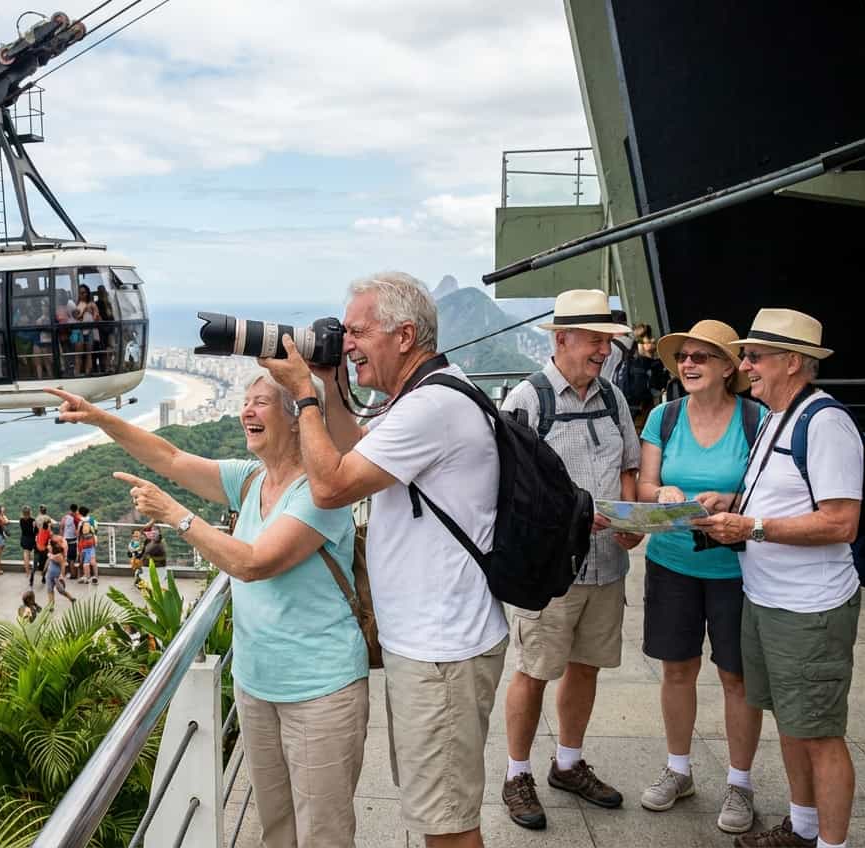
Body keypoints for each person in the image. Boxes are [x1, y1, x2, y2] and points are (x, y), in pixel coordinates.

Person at [47, 372, 370, 848]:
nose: (246, 411)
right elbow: (170, 457)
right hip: (257, 686)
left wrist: (176, 514)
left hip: (321, 691)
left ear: (298, 418)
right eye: (245, 401)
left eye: (260, 402)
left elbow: (253, 563)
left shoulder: (322, 493)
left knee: (324, 835)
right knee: (277, 828)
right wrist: (101, 418)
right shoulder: (253, 478)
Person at [259, 270, 506, 848]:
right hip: (429, 645)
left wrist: (303, 395)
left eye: (357, 331)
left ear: (403, 335)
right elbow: (350, 452)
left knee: (445, 823)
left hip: (441, 650)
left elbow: (330, 485)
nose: (346, 341)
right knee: (434, 808)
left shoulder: (431, 407)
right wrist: (329, 382)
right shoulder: (420, 394)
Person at [693, 309, 861, 848]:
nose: (745, 366)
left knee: (820, 734)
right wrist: (730, 505)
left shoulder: (826, 422)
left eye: (754, 356)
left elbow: (841, 521)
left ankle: (830, 843)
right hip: (765, 598)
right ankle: (803, 827)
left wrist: (754, 526)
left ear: (793, 362)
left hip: (809, 609)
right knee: (792, 721)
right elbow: (777, 495)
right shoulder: (776, 417)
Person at [495, 290, 641, 830]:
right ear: (562, 339)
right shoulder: (528, 402)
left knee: (586, 666)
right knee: (533, 670)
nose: (605, 351)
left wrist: (630, 523)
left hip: (607, 566)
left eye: (608, 341)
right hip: (553, 572)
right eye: (597, 341)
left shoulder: (614, 399)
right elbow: (508, 488)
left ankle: (568, 763)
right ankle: (516, 775)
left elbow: (627, 466)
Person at [635, 320, 763, 833]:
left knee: (737, 677)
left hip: (737, 569)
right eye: (683, 357)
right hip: (672, 562)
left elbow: (771, 491)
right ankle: (679, 769)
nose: (688, 364)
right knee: (677, 670)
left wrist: (732, 502)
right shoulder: (663, 420)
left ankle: (739, 782)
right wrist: (662, 494)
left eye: (701, 358)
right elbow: (645, 486)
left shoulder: (755, 420)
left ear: (728, 368)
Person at [44, 539, 76, 606]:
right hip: (49, 575)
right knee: (49, 590)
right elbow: (48, 561)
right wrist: (44, 570)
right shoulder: (51, 553)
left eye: (49, 545)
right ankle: (51, 606)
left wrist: (61, 575)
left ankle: (71, 598)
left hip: (57, 576)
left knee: (61, 591)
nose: (48, 546)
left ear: (53, 546)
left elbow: (63, 565)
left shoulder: (59, 555)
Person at [78, 505, 98, 584]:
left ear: (80, 513)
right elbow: (96, 530)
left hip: (83, 543)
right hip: (92, 541)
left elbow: (78, 533)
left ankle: (86, 577)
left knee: (84, 562)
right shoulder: (92, 520)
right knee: (93, 560)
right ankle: (95, 576)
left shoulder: (80, 521)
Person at [62, 503, 80, 579]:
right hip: (73, 540)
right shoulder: (77, 519)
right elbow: (77, 532)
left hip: (65, 539)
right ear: (76, 510)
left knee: (67, 558)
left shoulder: (65, 517)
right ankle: (73, 574)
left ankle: (68, 573)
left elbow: (62, 526)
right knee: (72, 558)